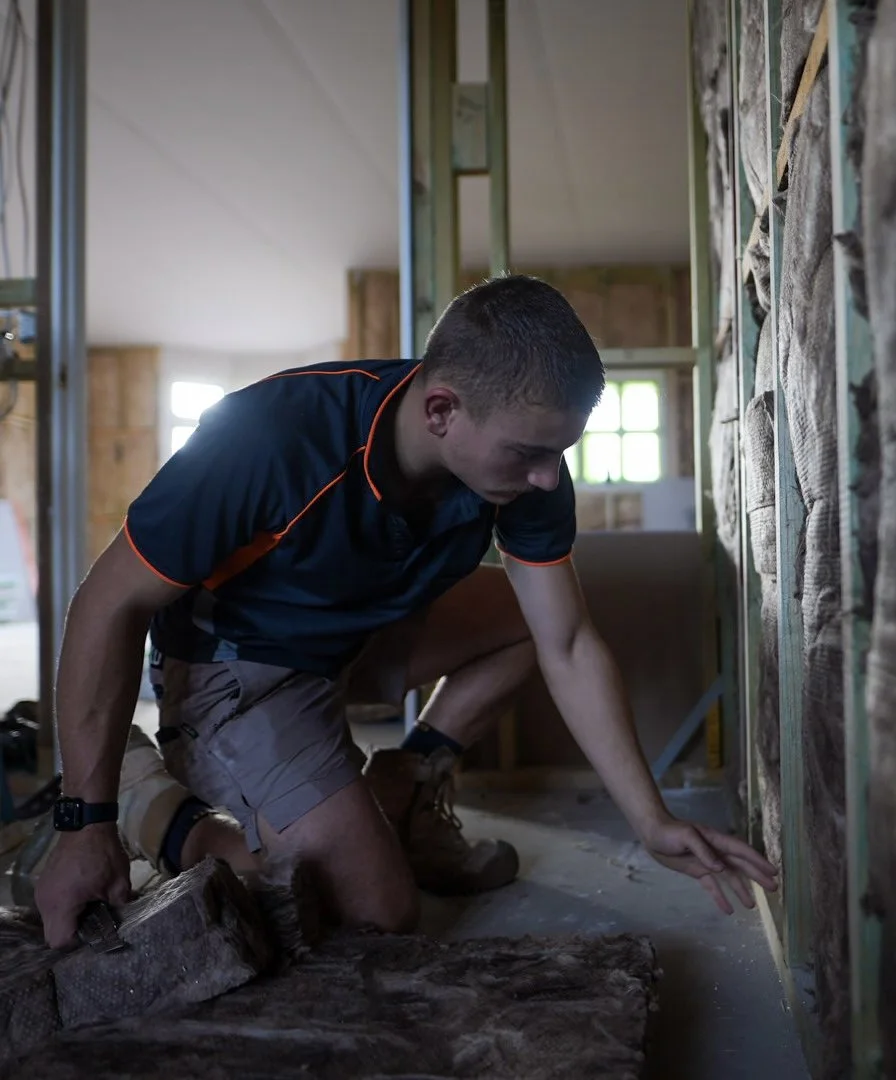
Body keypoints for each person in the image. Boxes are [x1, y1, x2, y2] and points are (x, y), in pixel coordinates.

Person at [27, 275, 778, 948]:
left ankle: (405, 787)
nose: (549, 477)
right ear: (443, 409)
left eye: (560, 452)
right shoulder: (271, 437)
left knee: (525, 617)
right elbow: (106, 604)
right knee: (373, 913)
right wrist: (82, 819)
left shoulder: (529, 469)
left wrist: (650, 821)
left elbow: (569, 643)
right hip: (237, 671)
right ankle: (149, 802)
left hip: (354, 637)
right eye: (528, 454)